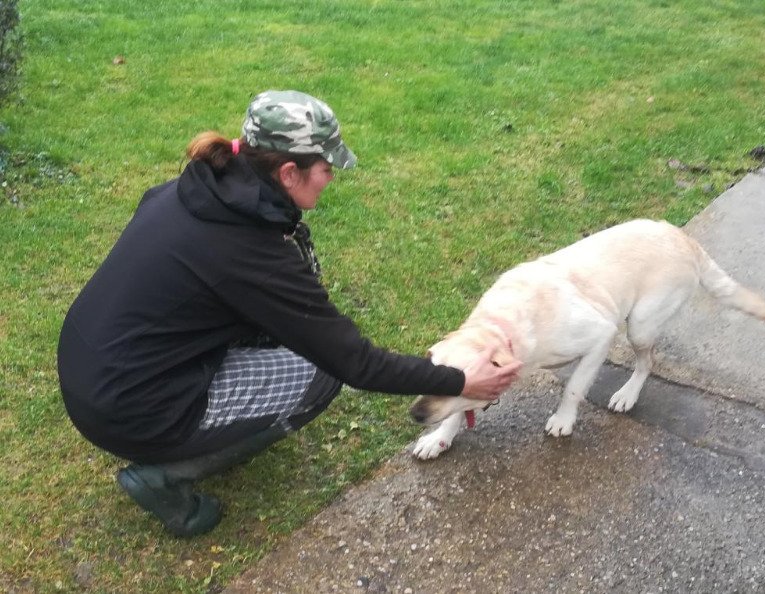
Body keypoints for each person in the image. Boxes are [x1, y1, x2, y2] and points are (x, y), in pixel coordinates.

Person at [57, 90, 522, 537]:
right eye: (324, 167)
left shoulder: (195, 189)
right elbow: (352, 362)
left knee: (280, 336)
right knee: (318, 374)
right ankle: (167, 473)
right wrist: (459, 381)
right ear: (287, 173)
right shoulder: (249, 254)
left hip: (92, 372)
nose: (331, 177)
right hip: (131, 409)